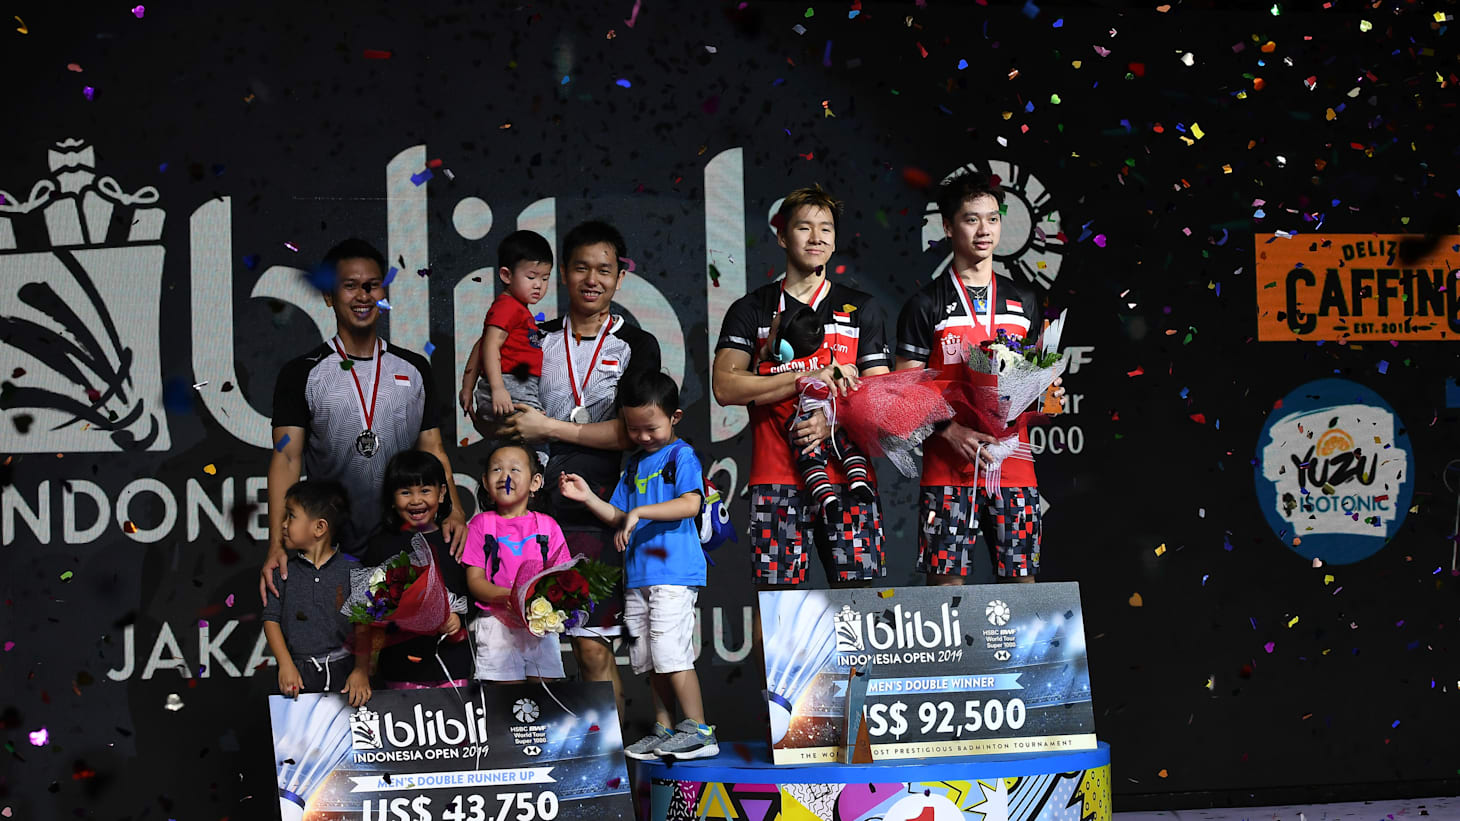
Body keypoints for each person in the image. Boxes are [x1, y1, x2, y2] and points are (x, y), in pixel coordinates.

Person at [495, 220, 661, 714]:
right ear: (563, 273)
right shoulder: (535, 337)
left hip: (597, 510)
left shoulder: (638, 344)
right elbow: (507, 414)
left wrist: (548, 427)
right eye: (581, 268)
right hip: (531, 515)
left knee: (592, 647)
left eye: (604, 270)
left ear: (620, 277)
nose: (593, 279)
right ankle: (555, 750)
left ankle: (611, 756)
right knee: (528, 647)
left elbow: (632, 432)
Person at [261, 238, 468, 606]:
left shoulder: (414, 368)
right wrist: (277, 542)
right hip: (330, 543)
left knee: (403, 638)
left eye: (372, 286)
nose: (363, 295)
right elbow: (286, 458)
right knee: (337, 640)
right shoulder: (301, 373)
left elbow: (432, 450)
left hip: (402, 540)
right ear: (329, 296)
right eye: (351, 286)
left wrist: (453, 509)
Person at [712, 185, 892, 590]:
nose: (816, 238)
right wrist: (803, 377)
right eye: (804, 227)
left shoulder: (862, 308)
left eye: (826, 228)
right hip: (776, 479)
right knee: (777, 608)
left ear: (835, 239)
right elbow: (725, 386)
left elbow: (881, 397)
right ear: (781, 236)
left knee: (859, 606)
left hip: (849, 480)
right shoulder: (752, 309)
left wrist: (833, 419)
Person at [895, 172, 1045, 584]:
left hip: (1013, 465)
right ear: (948, 227)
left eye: (992, 219)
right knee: (946, 589)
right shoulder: (925, 304)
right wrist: (951, 431)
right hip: (949, 466)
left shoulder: (1024, 301)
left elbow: (1035, 380)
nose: (984, 230)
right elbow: (903, 390)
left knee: (1023, 586)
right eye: (971, 219)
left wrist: (1047, 394)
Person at [559, 371, 717, 761]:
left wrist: (640, 512)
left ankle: (699, 729)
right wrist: (587, 498)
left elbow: (690, 504)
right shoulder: (633, 465)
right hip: (638, 577)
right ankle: (665, 728)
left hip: (673, 573)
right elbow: (619, 515)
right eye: (633, 429)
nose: (643, 436)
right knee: (647, 658)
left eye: (651, 428)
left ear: (674, 417)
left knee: (670, 652)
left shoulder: (681, 456)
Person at [356, 450, 473, 689]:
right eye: (405, 492)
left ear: (442, 493)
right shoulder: (381, 546)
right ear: (391, 498)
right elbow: (368, 611)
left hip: (452, 666)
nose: (416, 500)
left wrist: (457, 619)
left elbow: (473, 594)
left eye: (425, 490)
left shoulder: (456, 541)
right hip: (400, 669)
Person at [462, 443, 571, 683]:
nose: (505, 476)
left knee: (543, 696)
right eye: (497, 469)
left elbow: (564, 578)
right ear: (485, 482)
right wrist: (510, 597)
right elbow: (475, 581)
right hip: (496, 624)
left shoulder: (548, 526)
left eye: (514, 469)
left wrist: (540, 602)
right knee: (506, 700)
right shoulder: (480, 525)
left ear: (535, 482)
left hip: (540, 623)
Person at [756, 306, 876, 522]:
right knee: (850, 446)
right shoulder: (825, 356)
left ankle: (827, 497)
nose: (767, 336)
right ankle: (858, 479)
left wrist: (765, 353)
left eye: (771, 332)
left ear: (782, 346)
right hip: (829, 414)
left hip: (800, 422)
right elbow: (842, 374)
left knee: (809, 462)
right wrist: (849, 371)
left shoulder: (769, 369)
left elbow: (757, 382)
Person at [261, 480, 372, 706]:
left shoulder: (354, 571)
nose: (283, 524)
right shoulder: (282, 572)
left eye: (291, 516)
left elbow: (364, 626)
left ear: (319, 528)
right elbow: (271, 620)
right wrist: (285, 664)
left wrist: (361, 671)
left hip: (344, 674)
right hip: (297, 677)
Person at [458, 230, 554, 463]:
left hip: (511, 387)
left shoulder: (517, 309)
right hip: (510, 387)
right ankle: (536, 477)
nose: (539, 285)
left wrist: (467, 388)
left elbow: (481, 345)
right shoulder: (508, 307)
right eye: (531, 277)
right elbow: (490, 346)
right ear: (506, 275)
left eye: (545, 278)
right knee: (539, 439)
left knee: (513, 447)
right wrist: (498, 388)